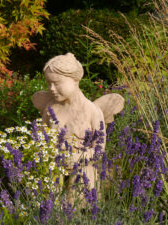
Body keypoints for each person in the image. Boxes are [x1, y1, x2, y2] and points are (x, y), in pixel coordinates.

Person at [32, 53, 124, 202]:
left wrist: (78, 158)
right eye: (49, 83)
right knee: (47, 190)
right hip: (54, 164)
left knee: (84, 181)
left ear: (75, 80)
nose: (52, 88)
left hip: (82, 165)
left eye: (56, 83)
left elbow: (99, 149)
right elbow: (41, 138)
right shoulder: (50, 108)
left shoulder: (92, 111)